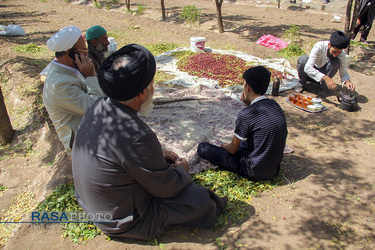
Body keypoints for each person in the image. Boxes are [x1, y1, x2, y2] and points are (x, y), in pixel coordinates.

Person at [72, 44, 227, 240]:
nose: (153, 89)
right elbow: (166, 188)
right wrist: (182, 170)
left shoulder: (98, 105)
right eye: (152, 84)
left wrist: (157, 154)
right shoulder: (138, 135)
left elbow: (120, 153)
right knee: (200, 199)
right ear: (141, 94)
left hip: (93, 205)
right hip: (121, 220)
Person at [197, 66, 288, 181]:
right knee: (245, 143)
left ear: (248, 87)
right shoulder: (275, 105)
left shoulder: (246, 114)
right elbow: (257, 123)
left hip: (253, 170)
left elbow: (232, 149)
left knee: (203, 147)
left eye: (243, 84)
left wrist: (223, 145)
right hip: (273, 169)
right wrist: (249, 105)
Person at [43, 25, 105, 153]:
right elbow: (96, 109)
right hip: (84, 145)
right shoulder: (60, 84)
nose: (86, 54)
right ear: (70, 53)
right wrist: (91, 76)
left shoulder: (71, 69)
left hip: (92, 132)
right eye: (83, 50)